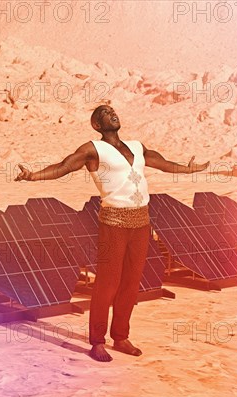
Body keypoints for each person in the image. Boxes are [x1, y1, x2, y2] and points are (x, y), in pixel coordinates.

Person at [15, 105, 209, 361]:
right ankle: (97, 341)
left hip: (141, 222)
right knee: (107, 284)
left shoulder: (137, 146)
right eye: (104, 113)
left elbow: (162, 163)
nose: (112, 114)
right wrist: (33, 176)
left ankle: (121, 336)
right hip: (113, 223)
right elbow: (63, 167)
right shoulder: (93, 150)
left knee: (130, 283)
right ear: (96, 125)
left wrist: (188, 169)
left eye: (113, 111)